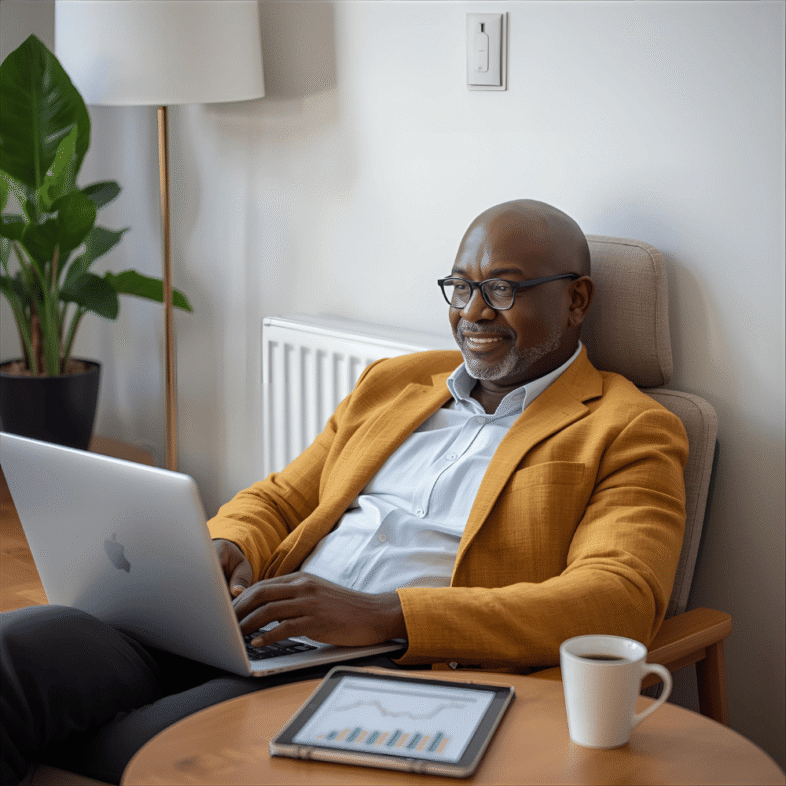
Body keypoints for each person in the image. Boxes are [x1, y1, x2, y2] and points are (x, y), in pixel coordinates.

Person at [0, 199, 688, 785]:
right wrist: (222, 546)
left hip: (384, 668)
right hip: (248, 619)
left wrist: (385, 617)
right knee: (16, 652)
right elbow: (280, 499)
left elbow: (617, 599)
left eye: (504, 289)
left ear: (576, 299)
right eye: (460, 286)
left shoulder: (629, 428)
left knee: (142, 750)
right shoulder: (396, 384)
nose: (474, 312)